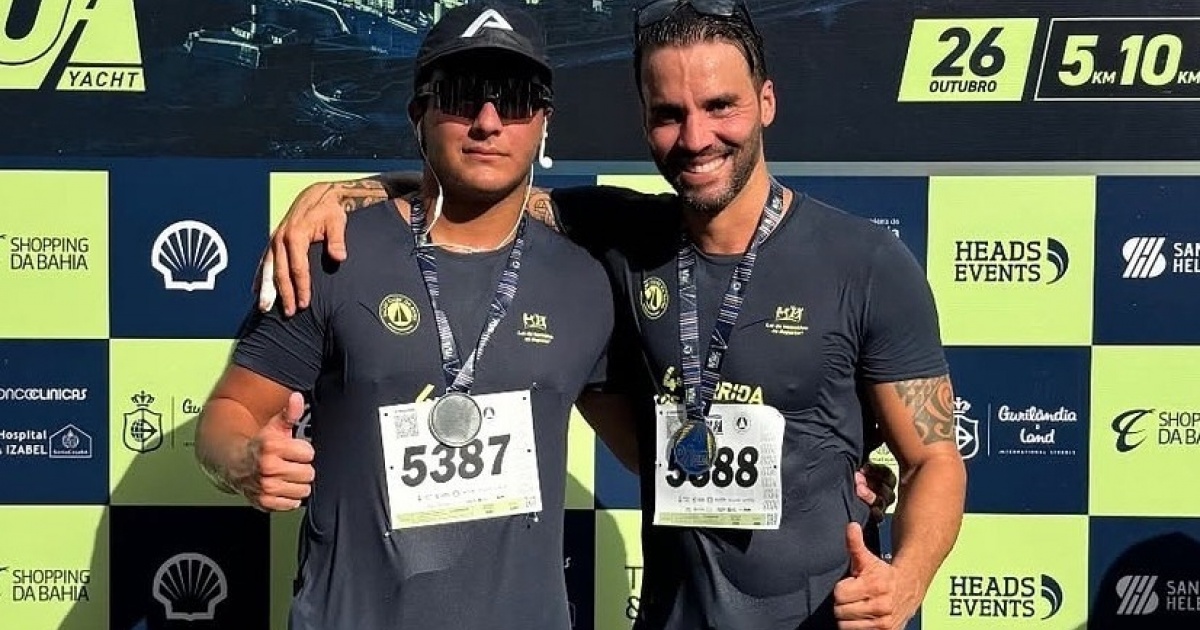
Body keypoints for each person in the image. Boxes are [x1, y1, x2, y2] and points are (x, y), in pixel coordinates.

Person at [259, 1, 966, 629]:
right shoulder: (616, 238)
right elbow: (480, 189)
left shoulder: (867, 261)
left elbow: (934, 456)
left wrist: (905, 580)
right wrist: (348, 190)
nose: (696, 138)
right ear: (646, 122)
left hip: (824, 616)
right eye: (669, 114)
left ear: (767, 102)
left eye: (721, 106)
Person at [193, 4, 640, 628]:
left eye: (513, 100)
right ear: (418, 117)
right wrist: (242, 458)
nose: (488, 122)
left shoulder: (587, 280)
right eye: (461, 96)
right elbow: (227, 415)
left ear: (542, 124)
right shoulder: (331, 255)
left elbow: (654, 457)